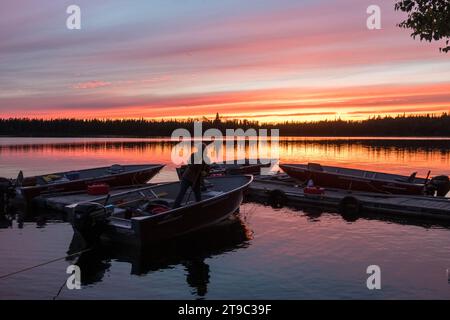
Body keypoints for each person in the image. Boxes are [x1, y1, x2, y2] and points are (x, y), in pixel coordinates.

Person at [173, 143, 210, 208]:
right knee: (182, 192)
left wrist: (205, 173)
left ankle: (199, 207)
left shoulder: (207, 159)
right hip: (187, 178)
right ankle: (175, 207)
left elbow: (208, 170)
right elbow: (192, 166)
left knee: (198, 195)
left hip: (197, 180)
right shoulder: (193, 155)